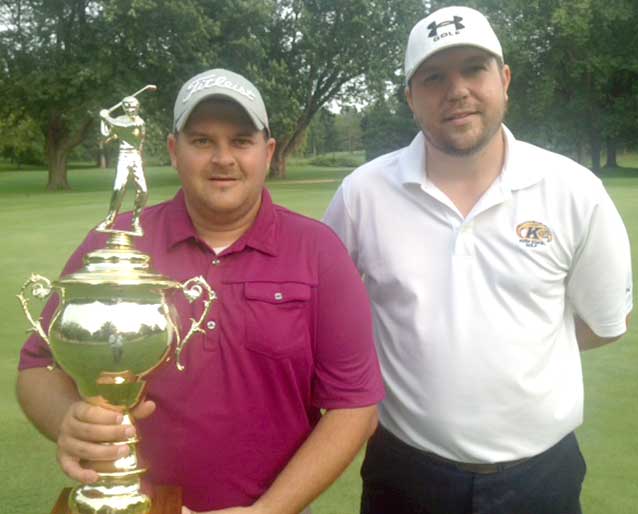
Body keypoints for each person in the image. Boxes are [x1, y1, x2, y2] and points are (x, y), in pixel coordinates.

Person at [17, 68, 384, 514]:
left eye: (241, 141)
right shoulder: (113, 244)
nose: (222, 158)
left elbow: (355, 406)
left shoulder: (318, 250)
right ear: (174, 150)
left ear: (267, 152)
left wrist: (267, 512)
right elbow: (39, 366)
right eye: (203, 140)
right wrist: (66, 421)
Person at [323, 6, 633, 514]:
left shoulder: (575, 191)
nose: (457, 89)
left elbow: (605, 323)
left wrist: (518, 345)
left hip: (542, 480)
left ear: (504, 79)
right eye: (434, 77)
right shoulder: (363, 195)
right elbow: (328, 322)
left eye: (474, 68)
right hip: (404, 475)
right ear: (410, 98)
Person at [97, 95, 147, 235]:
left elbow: (125, 128)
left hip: (136, 157)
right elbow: (108, 136)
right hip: (124, 156)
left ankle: (136, 221)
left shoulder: (139, 122)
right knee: (118, 188)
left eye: (134, 106)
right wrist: (103, 121)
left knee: (143, 190)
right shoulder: (118, 120)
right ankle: (109, 220)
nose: (131, 109)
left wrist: (106, 117)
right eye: (128, 106)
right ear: (124, 108)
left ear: (138, 107)